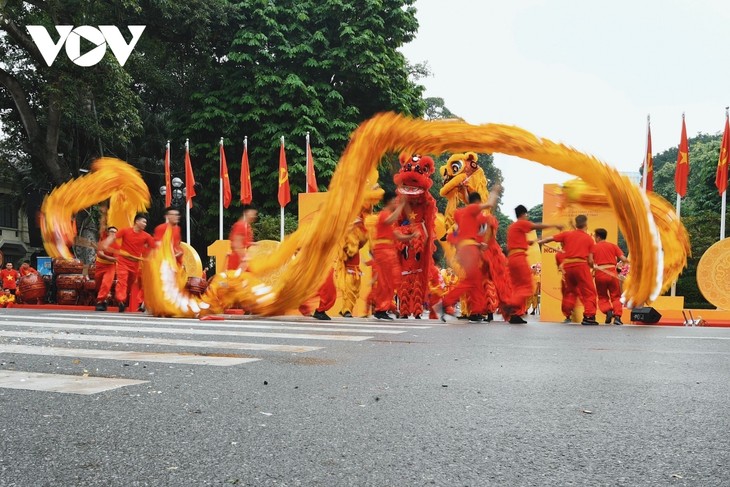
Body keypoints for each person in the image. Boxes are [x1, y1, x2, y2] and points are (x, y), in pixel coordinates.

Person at [440, 189, 500, 322]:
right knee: (471, 281)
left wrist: (479, 244)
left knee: (475, 280)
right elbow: (488, 205)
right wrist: (495, 192)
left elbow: (464, 232)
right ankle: (446, 302)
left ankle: (475, 311)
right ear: (477, 202)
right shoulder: (472, 209)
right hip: (468, 250)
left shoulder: (464, 215)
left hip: (467, 248)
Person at [505, 205, 563, 324]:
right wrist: (554, 225)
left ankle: (515, 315)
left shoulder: (512, 227)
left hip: (512, 258)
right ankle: (511, 305)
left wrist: (532, 241)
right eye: (527, 215)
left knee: (518, 288)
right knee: (528, 287)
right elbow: (536, 226)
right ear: (523, 214)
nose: (528, 217)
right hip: (519, 258)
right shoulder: (521, 223)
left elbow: (520, 242)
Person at [538, 214, 598, 326]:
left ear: (576, 224)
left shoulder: (567, 235)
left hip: (568, 267)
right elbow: (590, 260)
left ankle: (567, 313)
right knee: (589, 292)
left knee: (570, 291)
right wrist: (592, 266)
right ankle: (589, 316)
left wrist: (540, 242)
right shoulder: (589, 239)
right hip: (581, 265)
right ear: (586, 224)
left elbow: (550, 238)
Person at [371, 191, 417, 320]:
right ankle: (380, 309)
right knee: (385, 281)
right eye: (395, 202)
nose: (396, 204)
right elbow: (391, 219)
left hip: (388, 251)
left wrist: (411, 236)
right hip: (382, 251)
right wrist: (402, 206)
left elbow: (397, 236)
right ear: (389, 202)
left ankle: (383, 307)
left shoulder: (389, 218)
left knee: (392, 281)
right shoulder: (384, 214)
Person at [103, 213, 155, 313]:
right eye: (144, 222)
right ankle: (121, 300)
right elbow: (113, 237)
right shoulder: (125, 231)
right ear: (137, 221)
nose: (145, 224)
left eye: (146, 223)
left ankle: (122, 298)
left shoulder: (146, 236)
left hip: (135, 264)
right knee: (122, 280)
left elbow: (154, 247)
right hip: (123, 261)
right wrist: (106, 243)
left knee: (129, 282)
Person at [591, 228, 629, 325]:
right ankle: (617, 317)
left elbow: (590, 261)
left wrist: (593, 266)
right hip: (612, 275)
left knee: (603, 296)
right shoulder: (613, 246)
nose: (595, 238)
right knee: (616, 296)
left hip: (600, 274)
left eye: (595, 236)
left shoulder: (593, 248)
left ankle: (608, 311)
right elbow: (624, 259)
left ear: (598, 237)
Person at [338, 213, 369, 318]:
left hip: (355, 268)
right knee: (349, 289)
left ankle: (345, 310)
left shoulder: (356, 239)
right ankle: (346, 310)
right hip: (348, 269)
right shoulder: (344, 238)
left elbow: (362, 242)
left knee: (354, 290)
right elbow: (346, 253)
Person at [94, 226, 119, 311]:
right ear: (108, 233)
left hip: (110, 266)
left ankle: (100, 301)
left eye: (115, 233)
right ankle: (104, 300)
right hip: (99, 264)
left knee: (106, 283)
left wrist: (115, 259)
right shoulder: (103, 240)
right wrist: (110, 258)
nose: (113, 234)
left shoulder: (117, 245)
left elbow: (116, 259)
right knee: (99, 284)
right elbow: (100, 254)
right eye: (112, 232)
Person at [227, 206, 258, 270]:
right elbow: (236, 244)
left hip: (241, 259)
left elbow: (243, 242)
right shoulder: (241, 225)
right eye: (252, 213)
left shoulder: (246, 226)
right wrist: (243, 257)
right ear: (245, 213)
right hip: (238, 260)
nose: (253, 216)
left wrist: (254, 244)